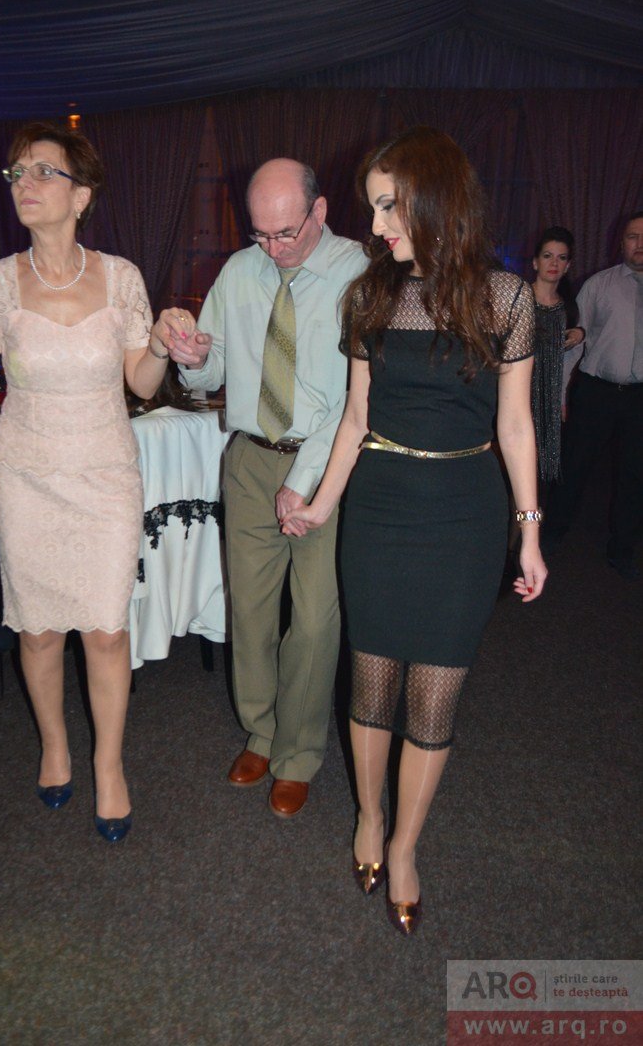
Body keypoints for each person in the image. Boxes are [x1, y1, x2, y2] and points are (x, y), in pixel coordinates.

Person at [281, 128, 547, 934]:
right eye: (372, 208)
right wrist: (320, 503)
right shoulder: (369, 295)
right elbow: (354, 418)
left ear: (435, 201)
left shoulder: (504, 298)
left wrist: (529, 530)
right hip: (380, 511)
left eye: (388, 207)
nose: (376, 226)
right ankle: (368, 818)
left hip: (464, 515)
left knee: (433, 698)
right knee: (371, 686)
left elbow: (516, 427)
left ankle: (404, 846)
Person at [0, 122, 172, 841]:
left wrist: (161, 344)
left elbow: (143, 383)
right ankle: (55, 745)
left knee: (106, 631)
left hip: (105, 477)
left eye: (42, 172)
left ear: (81, 195)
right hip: (26, 477)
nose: (24, 185)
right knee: (36, 632)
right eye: (16, 174)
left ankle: (109, 765)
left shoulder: (122, 277)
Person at [159, 159, 367, 818]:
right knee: (248, 610)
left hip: (328, 463)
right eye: (259, 235)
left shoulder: (360, 275)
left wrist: (303, 482)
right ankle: (262, 731)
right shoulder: (239, 271)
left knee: (314, 619)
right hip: (250, 460)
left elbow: (354, 400)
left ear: (319, 211)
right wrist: (193, 361)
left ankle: (299, 753)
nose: (272, 249)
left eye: (285, 233)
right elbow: (211, 368)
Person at [543, 211, 643, 580]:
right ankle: (552, 533)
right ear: (621, 242)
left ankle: (623, 549)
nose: (640, 244)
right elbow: (575, 341)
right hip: (595, 391)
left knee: (635, 475)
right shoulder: (599, 285)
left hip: (639, 399)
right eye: (633, 236)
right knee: (574, 467)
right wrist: (561, 394)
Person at [530, 226, 584, 483]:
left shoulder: (569, 309)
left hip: (551, 400)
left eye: (561, 258)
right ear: (535, 262)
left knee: (543, 474)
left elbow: (569, 362)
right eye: (547, 256)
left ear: (568, 265)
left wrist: (580, 333)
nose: (554, 263)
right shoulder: (519, 299)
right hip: (517, 395)